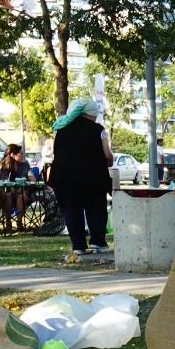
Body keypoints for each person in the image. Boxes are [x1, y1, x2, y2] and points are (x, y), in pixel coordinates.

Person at [47, 97, 114, 255]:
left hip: (63, 176)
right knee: (96, 207)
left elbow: (57, 152)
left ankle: (78, 246)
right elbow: (107, 155)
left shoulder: (60, 128)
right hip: (92, 176)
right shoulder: (98, 130)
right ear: (89, 113)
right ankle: (98, 242)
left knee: (71, 209)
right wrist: (109, 161)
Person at [0, 143, 37, 232]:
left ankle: (19, 224)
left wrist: (29, 179)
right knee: (8, 195)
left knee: (22, 197)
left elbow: (33, 180)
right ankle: (8, 224)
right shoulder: (3, 165)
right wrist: (16, 190)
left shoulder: (25, 165)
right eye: (21, 153)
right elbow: (5, 182)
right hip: (7, 192)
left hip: (23, 192)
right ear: (12, 155)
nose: (23, 155)